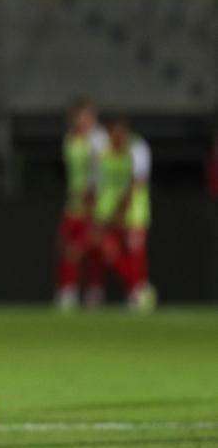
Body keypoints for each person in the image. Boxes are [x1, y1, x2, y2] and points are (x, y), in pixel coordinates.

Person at [90, 117, 157, 311]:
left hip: (133, 213)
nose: (116, 138)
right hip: (107, 212)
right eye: (113, 134)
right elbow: (97, 183)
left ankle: (137, 291)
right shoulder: (102, 151)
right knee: (107, 252)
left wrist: (121, 209)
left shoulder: (137, 149)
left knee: (135, 254)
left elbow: (137, 182)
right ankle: (137, 288)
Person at [55, 98, 109, 310]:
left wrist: (94, 200)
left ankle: (94, 290)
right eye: (77, 117)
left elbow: (100, 172)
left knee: (92, 248)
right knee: (67, 247)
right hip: (74, 203)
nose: (80, 121)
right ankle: (68, 290)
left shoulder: (98, 140)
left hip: (94, 203)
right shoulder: (69, 139)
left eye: (84, 117)